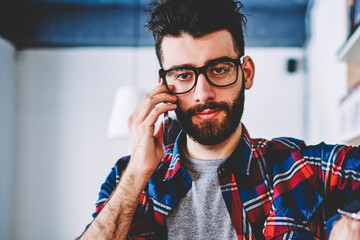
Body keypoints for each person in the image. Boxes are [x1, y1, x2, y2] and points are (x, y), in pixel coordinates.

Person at [78, 0, 360, 239]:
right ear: (164, 85)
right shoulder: (126, 178)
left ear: (246, 73)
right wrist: (137, 173)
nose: (203, 93)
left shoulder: (300, 167)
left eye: (220, 69)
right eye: (183, 75)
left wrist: (344, 225)